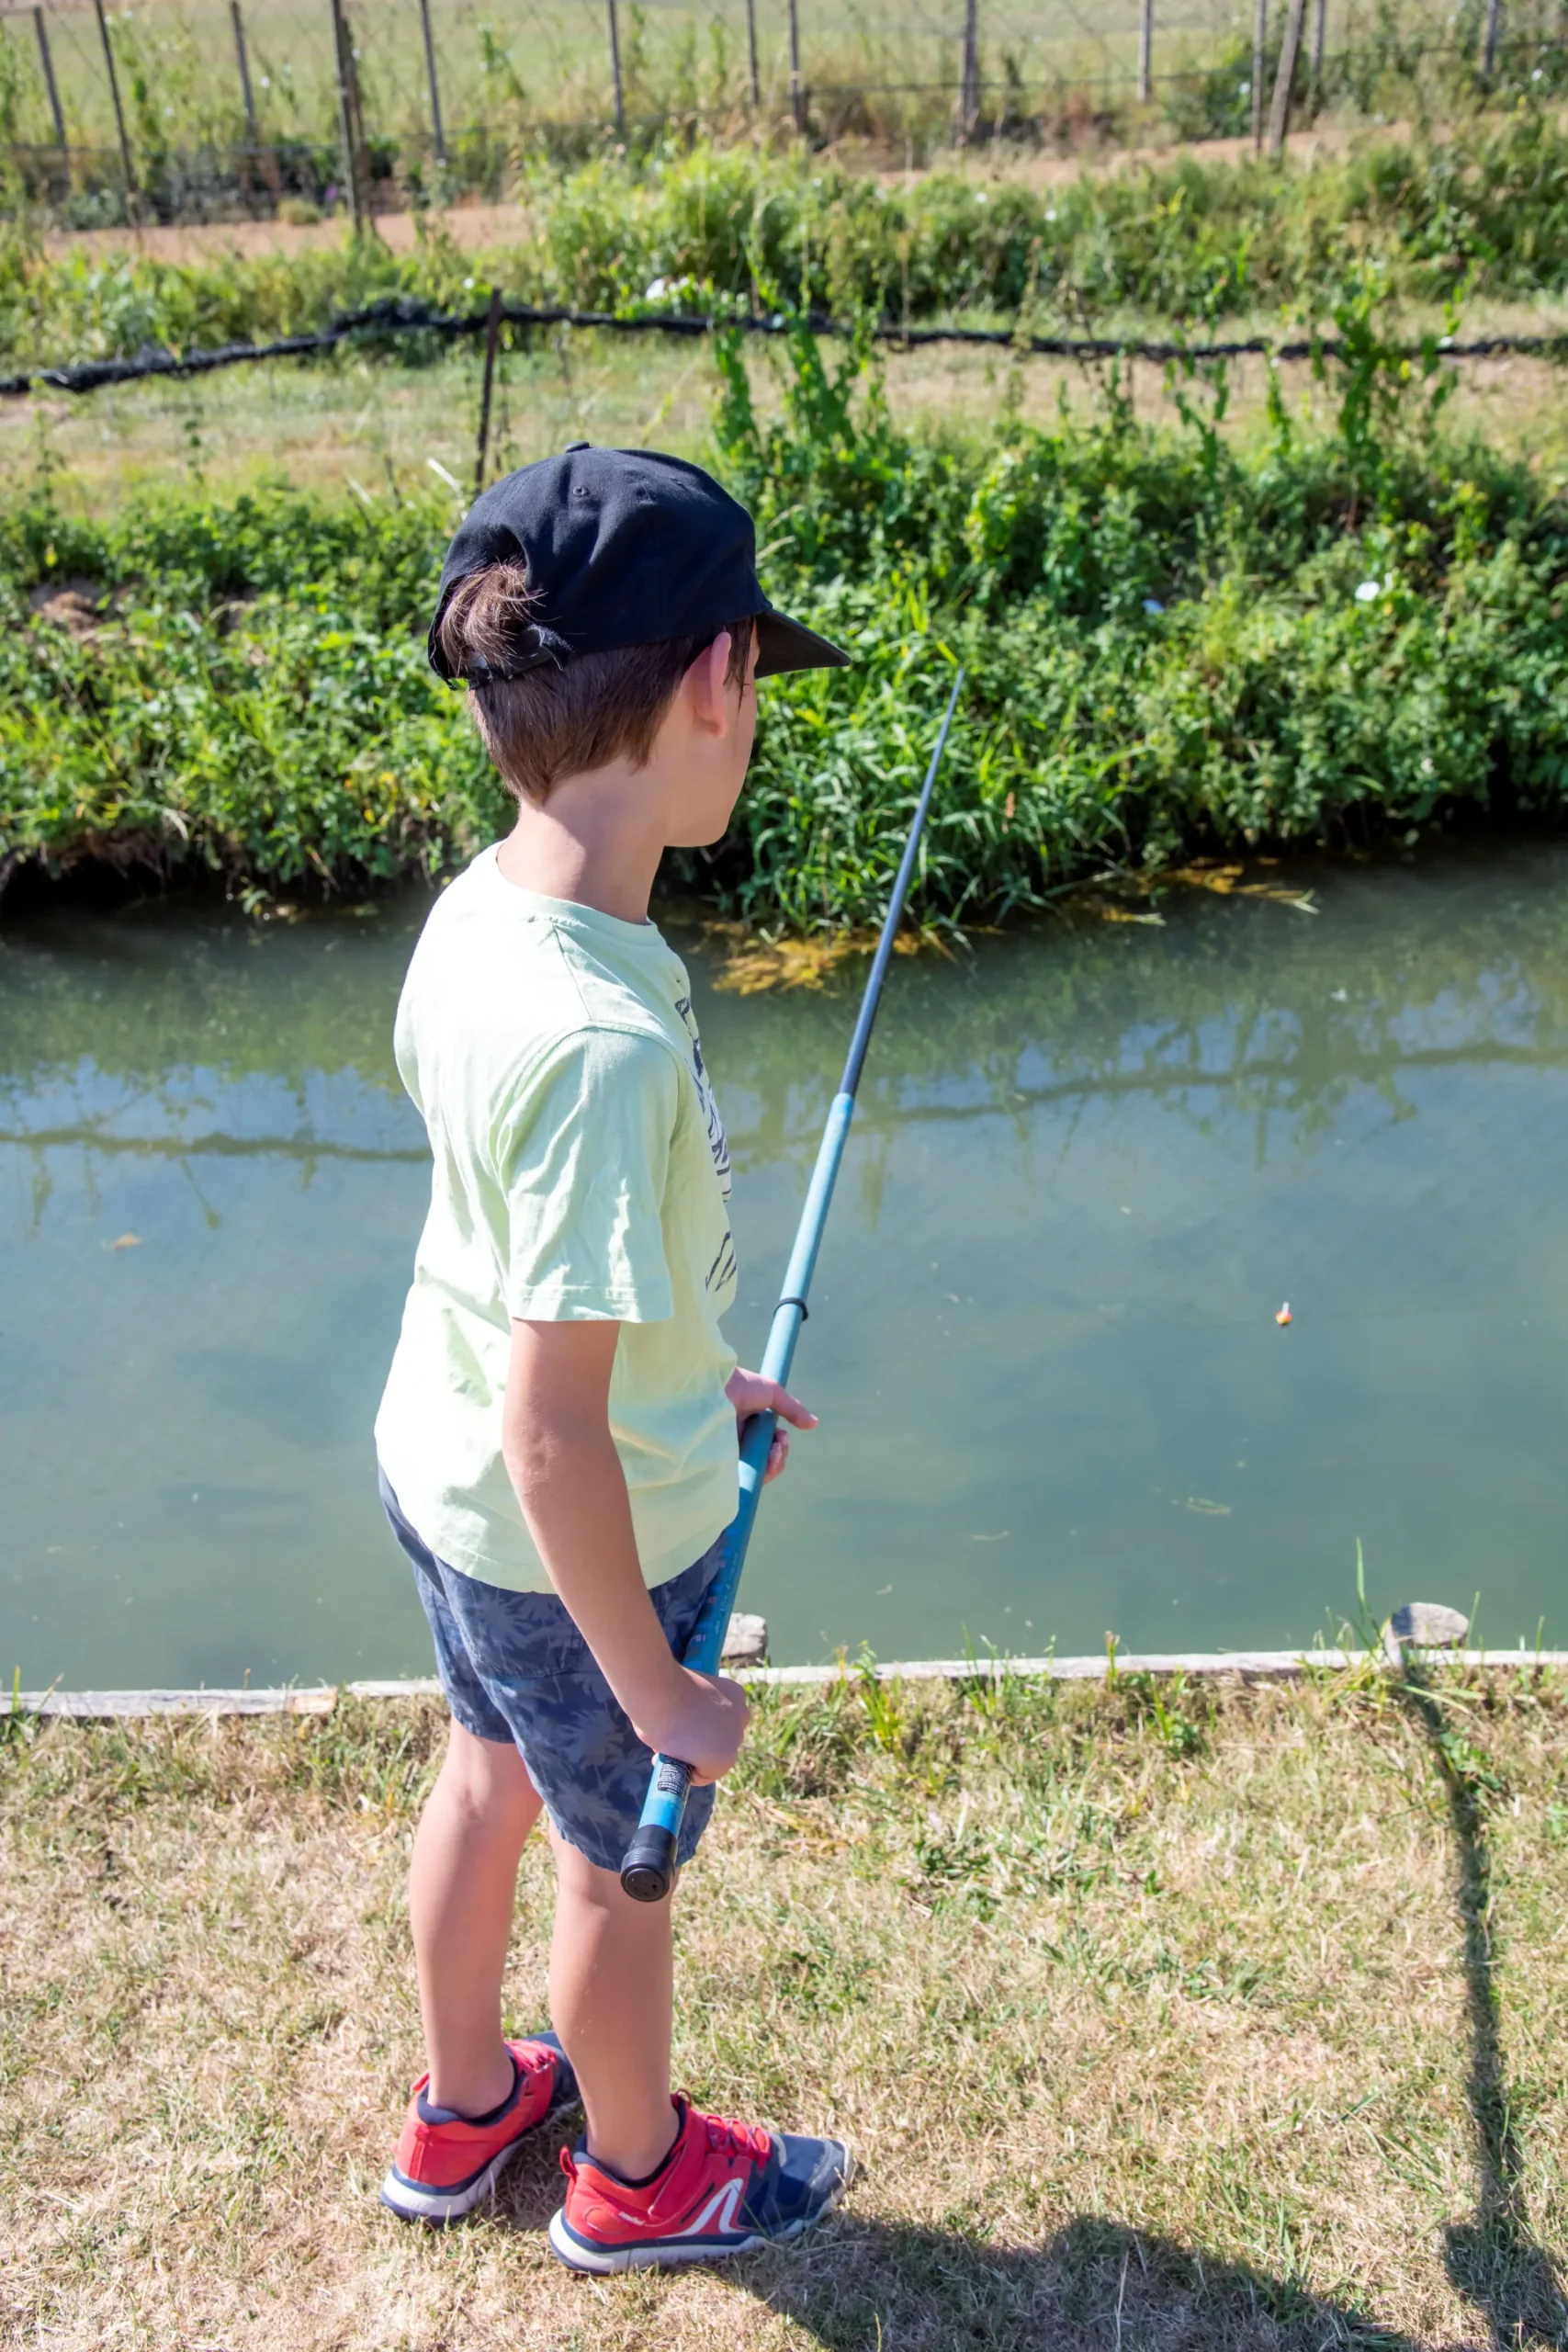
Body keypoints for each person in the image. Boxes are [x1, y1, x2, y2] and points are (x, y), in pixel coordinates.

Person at [372, 445, 854, 2269]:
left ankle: (462, 2103)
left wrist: (693, 1374)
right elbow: (558, 1428)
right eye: (758, 681)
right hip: (566, 1534)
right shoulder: (604, 1042)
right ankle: (638, 2173)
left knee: (483, 1770)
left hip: (447, 1489)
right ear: (717, 679)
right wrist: (655, 1688)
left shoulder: (482, 916)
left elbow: (542, 1278)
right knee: (609, 1867)